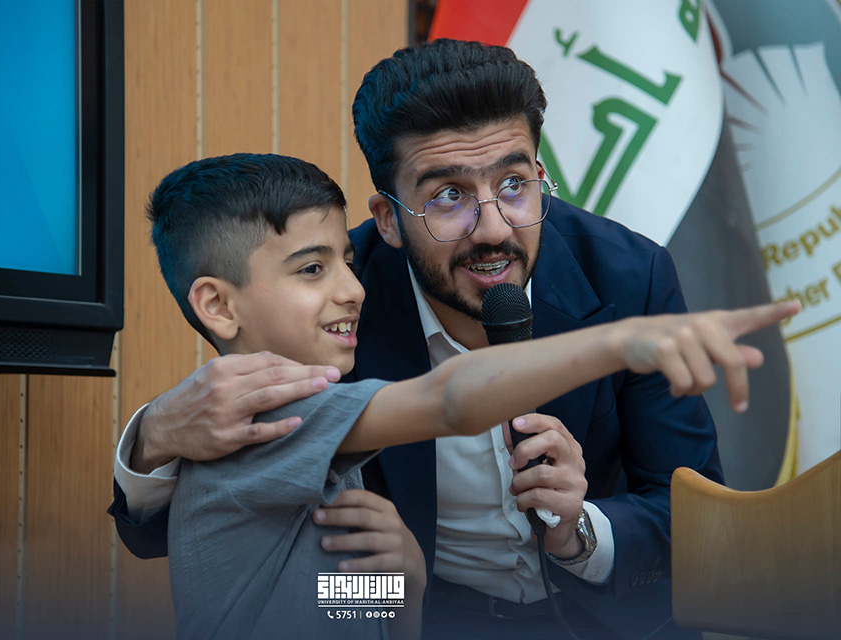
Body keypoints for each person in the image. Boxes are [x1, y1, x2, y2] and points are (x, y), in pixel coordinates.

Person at [109, 40, 780, 639]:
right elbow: (210, 540)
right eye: (448, 196)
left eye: (514, 185)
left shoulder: (628, 275)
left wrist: (580, 531)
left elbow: (695, 521)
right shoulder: (337, 309)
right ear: (389, 219)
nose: (493, 229)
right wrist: (154, 436)